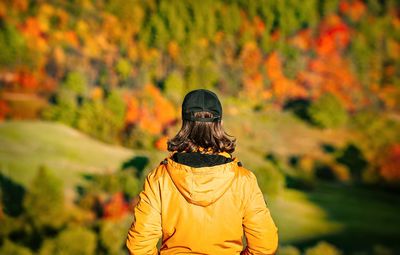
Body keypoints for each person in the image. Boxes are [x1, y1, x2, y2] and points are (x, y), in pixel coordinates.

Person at [126, 89, 278, 255]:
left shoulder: (159, 178)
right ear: (218, 123)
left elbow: (139, 246)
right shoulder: (243, 181)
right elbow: (265, 245)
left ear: (185, 123)